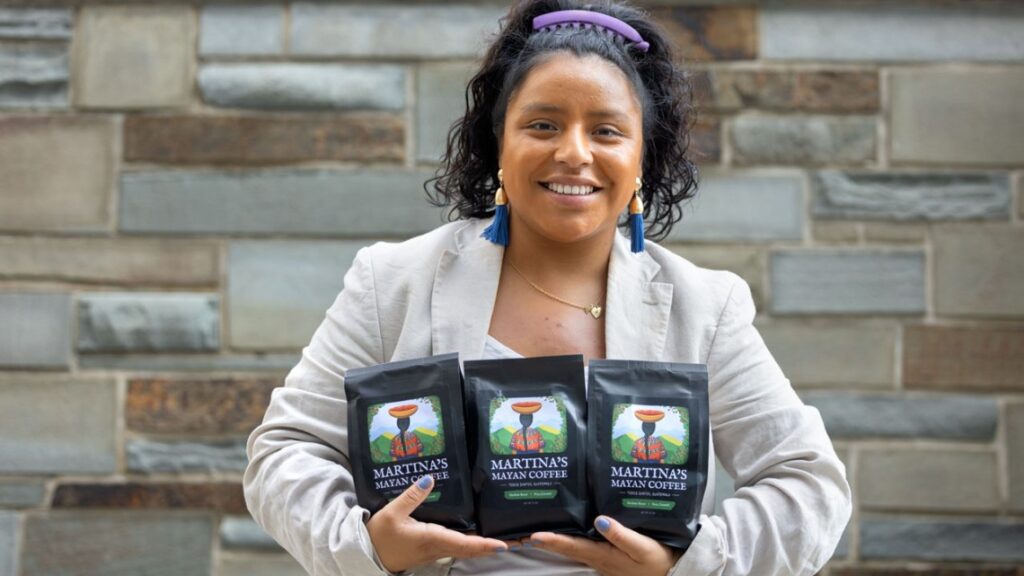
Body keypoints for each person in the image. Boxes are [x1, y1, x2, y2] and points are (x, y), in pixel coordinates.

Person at [244, 1, 851, 575]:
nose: (573, 152)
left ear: (642, 157)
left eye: (608, 130)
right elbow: (284, 452)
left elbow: (810, 484)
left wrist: (688, 564)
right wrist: (369, 546)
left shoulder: (704, 306)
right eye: (542, 124)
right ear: (498, 145)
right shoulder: (393, 282)